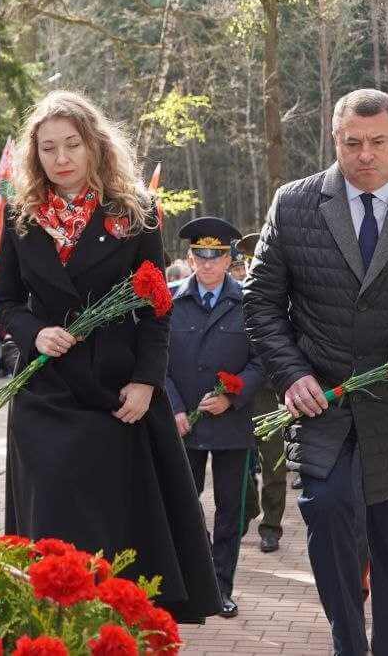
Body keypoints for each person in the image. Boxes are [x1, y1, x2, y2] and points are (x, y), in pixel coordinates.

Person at [243, 88, 388, 656]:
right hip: (320, 403)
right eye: (353, 143)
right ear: (335, 140)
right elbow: (260, 303)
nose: (366, 155)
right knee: (326, 517)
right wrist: (291, 373)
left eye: (378, 142)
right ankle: (348, 641)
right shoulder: (294, 203)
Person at [0, 89, 221, 624]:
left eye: (71, 145)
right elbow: (5, 299)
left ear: (95, 145)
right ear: (35, 155)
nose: (61, 159)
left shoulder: (135, 213)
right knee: (47, 532)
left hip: (117, 397)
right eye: (48, 149)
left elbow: (156, 307)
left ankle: (112, 631)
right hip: (45, 394)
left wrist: (147, 382)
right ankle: (52, 628)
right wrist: (35, 333)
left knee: (114, 540)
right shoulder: (21, 216)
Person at [165, 217, 263, 619]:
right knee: (185, 506)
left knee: (230, 513)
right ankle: (195, 579)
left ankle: (221, 585)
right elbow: (157, 361)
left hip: (231, 427)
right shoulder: (169, 301)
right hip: (182, 426)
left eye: (216, 257)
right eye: (200, 256)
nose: (207, 264)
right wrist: (172, 408)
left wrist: (233, 395)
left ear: (229, 260)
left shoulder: (251, 303)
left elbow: (263, 362)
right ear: (189, 258)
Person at [235, 230, 289, 553]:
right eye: (249, 258)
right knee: (240, 458)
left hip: (268, 390)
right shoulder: (236, 294)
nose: (253, 263)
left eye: (259, 257)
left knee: (273, 461)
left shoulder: (285, 297)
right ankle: (249, 508)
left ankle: (271, 525)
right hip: (240, 387)